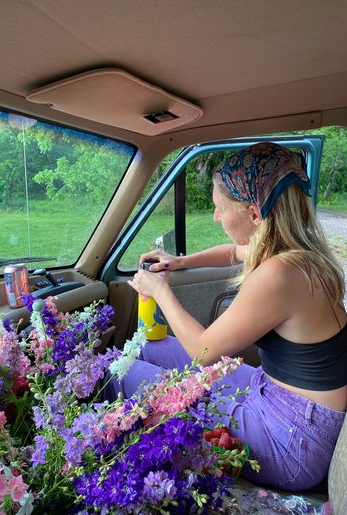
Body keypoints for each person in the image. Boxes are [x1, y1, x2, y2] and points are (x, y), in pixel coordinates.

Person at [105, 142, 347, 491]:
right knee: (146, 347)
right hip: (281, 401)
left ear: (253, 213)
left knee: (125, 371)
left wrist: (160, 291)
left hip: (292, 442)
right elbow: (235, 251)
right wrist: (180, 261)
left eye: (220, 209)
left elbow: (204, 353)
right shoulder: (297, 253)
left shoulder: (280, 273)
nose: (216, 217)